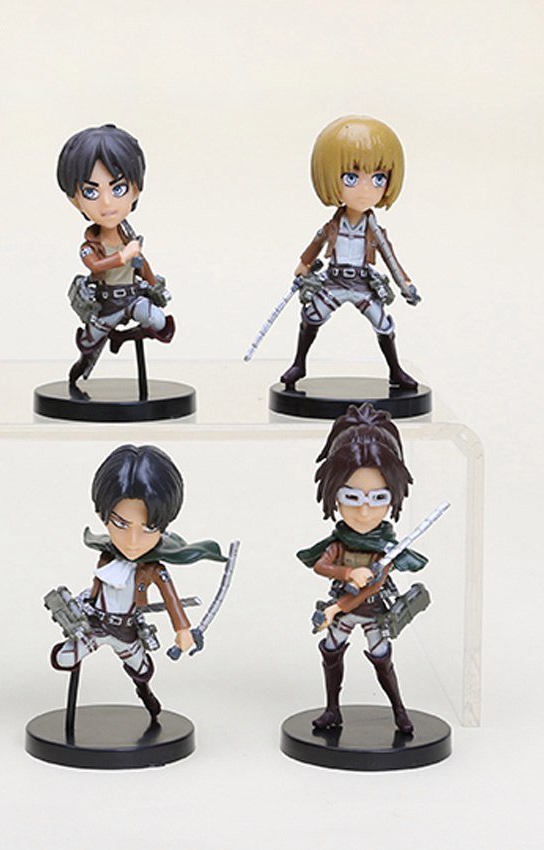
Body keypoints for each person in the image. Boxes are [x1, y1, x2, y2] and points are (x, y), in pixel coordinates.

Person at [50, 444, 225, 720]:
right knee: (64, 658)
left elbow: (171, 600)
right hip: (95, 624)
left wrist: (183, 630)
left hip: (127, 631)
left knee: (141, 670)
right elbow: (97, 588)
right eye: (121, 524)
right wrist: (83, 605)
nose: (133, 541)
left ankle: (146, 695)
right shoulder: (106, 558)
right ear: (102, 516)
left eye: (148, 528)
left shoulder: (152, 569)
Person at [297, 403, 428, 733]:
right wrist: (347, 574)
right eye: (352, 497)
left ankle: (399, 711)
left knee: (382, 658)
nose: (365, 512)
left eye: (379, 498)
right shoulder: (340, 542)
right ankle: (332, 710)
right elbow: (321, 565)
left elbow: (374, 585)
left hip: (371, 612)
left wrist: (337, 607)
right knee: (330, 652)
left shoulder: (384, 549)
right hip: (343, 610)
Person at [281, 116, 419, 390]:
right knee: (311, 316)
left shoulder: (374, 230)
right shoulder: (333, 225)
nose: (366, 190)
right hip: (333, 280)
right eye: (352, 178)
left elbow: (390, 258)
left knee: (383, 324)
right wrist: (304, 264)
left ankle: (396, 371)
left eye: (378, 178)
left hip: (362, 283)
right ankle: (299, 364)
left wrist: (405, 284)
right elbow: (317, 242)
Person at [57, 125, 174, 385]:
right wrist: (123, 256)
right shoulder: (90, 245)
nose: (107, 203)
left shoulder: (128, 238)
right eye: (91, 192)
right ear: (75, 200)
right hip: (106, 304)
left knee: (159, 322)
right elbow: (96, 266)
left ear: (136, 189)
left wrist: (154, 285)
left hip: (132, 297)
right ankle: (81, 370)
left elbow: (141, 265)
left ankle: (122, 338)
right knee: (89, 346)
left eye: (118, 188)